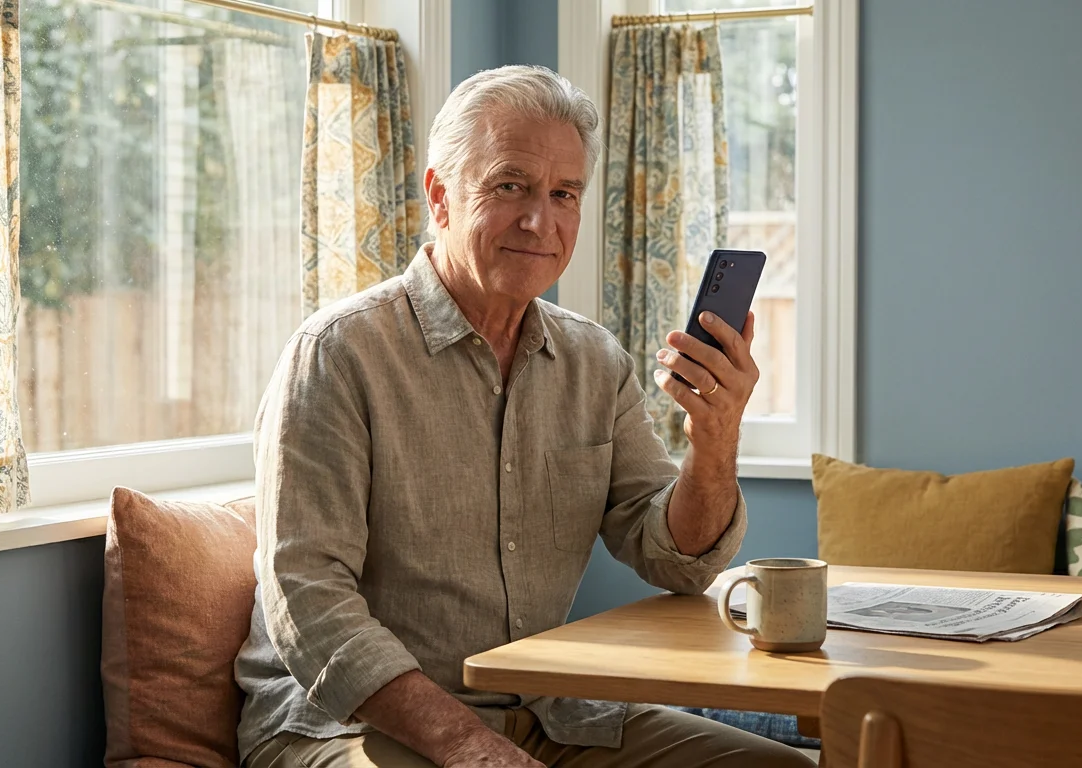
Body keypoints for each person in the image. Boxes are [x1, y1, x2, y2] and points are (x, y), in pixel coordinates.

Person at [236, 64, 815, 768]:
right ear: (440, 196)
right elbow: (308, 601)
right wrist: (470, 748)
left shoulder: (594, 362)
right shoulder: (338, 353)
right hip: (348, 725)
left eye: (563, 193)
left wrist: (714, 438)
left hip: (544, 711)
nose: (540, 220)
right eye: (510, 186)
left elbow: (675, 559)